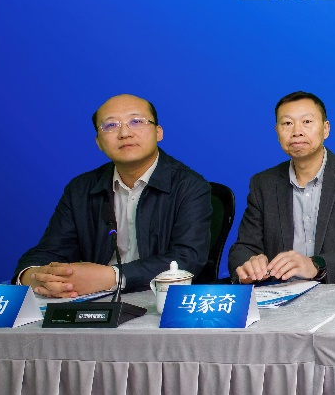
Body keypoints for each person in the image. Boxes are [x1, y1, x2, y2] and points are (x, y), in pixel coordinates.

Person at [14, 94, 211, 296]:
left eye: (136, 121)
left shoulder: (190, 186)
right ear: (98, 142)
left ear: (158, 132)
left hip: (158, 298)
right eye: (111, 125)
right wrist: (36, 277)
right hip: (90, 299)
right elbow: (50, 250)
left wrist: (112, 277)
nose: (125, 133)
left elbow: (187, 258)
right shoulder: (80, 189)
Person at [229, 91, 335, 284]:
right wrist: (249, 264)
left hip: (334, 291)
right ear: (277, 132)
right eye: (287, 123)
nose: (297, 131)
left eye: (307, 122)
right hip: (279, 291)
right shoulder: (263, 183)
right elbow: (243, 247)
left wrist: (316, 265)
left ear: (326, 129)